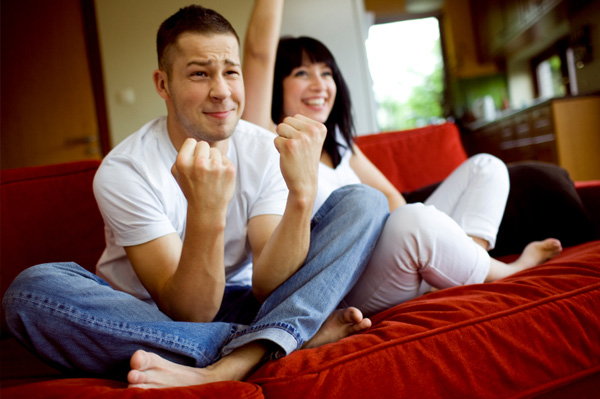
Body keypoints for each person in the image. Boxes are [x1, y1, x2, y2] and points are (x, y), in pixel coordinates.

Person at [2, 5, 390, 389]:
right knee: (31, 292)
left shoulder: (262, 149)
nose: (221, 92)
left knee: (364, 201)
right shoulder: (126, 170)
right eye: (200, 73)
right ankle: (280, 338)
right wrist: (207, 211)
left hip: (243, 301)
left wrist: (302, 195)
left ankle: (238, 358)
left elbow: (269, 283)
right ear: (163, 84)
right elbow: (189, 310)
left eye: (231, 72)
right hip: (144, 316)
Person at [241, 0, 563, 316]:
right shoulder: (267, 138)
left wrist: (428, 236)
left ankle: (457, 265)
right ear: (275, 86)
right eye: (301, 73)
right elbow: (257, 53)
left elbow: (394, 201)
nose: (321, 84)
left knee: (486, 167)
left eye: (327, 73)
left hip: (395, 259)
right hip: (345, 284)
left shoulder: (340, 143)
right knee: (415, 222)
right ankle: (505, 271)